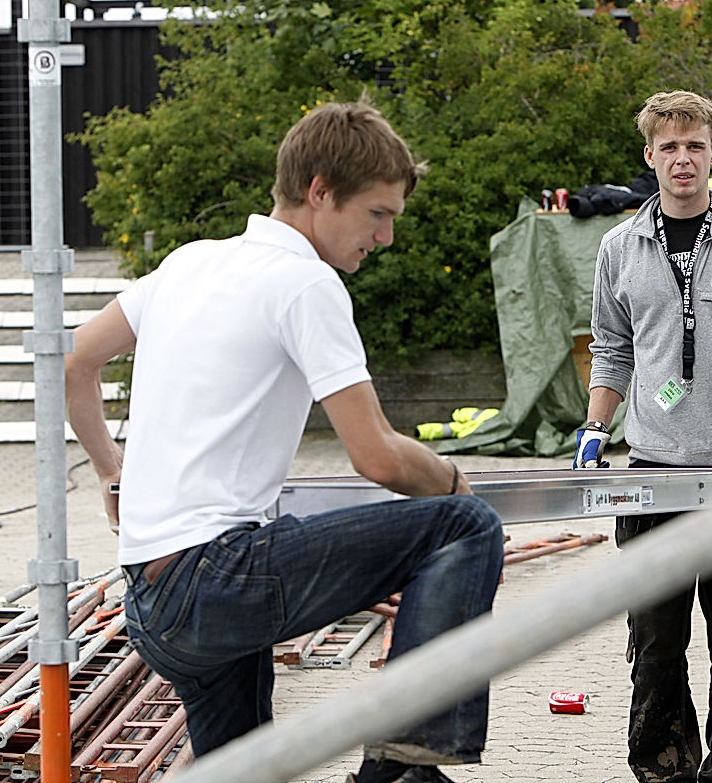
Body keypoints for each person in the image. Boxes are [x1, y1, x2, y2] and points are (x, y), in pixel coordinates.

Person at [65, 101, 504, 783]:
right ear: (319, 190)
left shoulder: (190, 263)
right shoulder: (305, 283)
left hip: (154, 601)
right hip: (214, 581)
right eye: (377, 214)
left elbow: (76, 361)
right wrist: (453, 484)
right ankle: (404, 765)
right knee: (465, 527)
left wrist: (107, 469)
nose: (385, 237)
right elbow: (377, 457)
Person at [574, 90, 712, 783]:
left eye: (694, 146)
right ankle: (663, 767)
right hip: (651, 473)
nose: (682, 159)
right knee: (656, 643)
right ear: (650, 156)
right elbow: (611, 350)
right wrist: (596, 429)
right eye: (669, 147)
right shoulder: (618, 247)